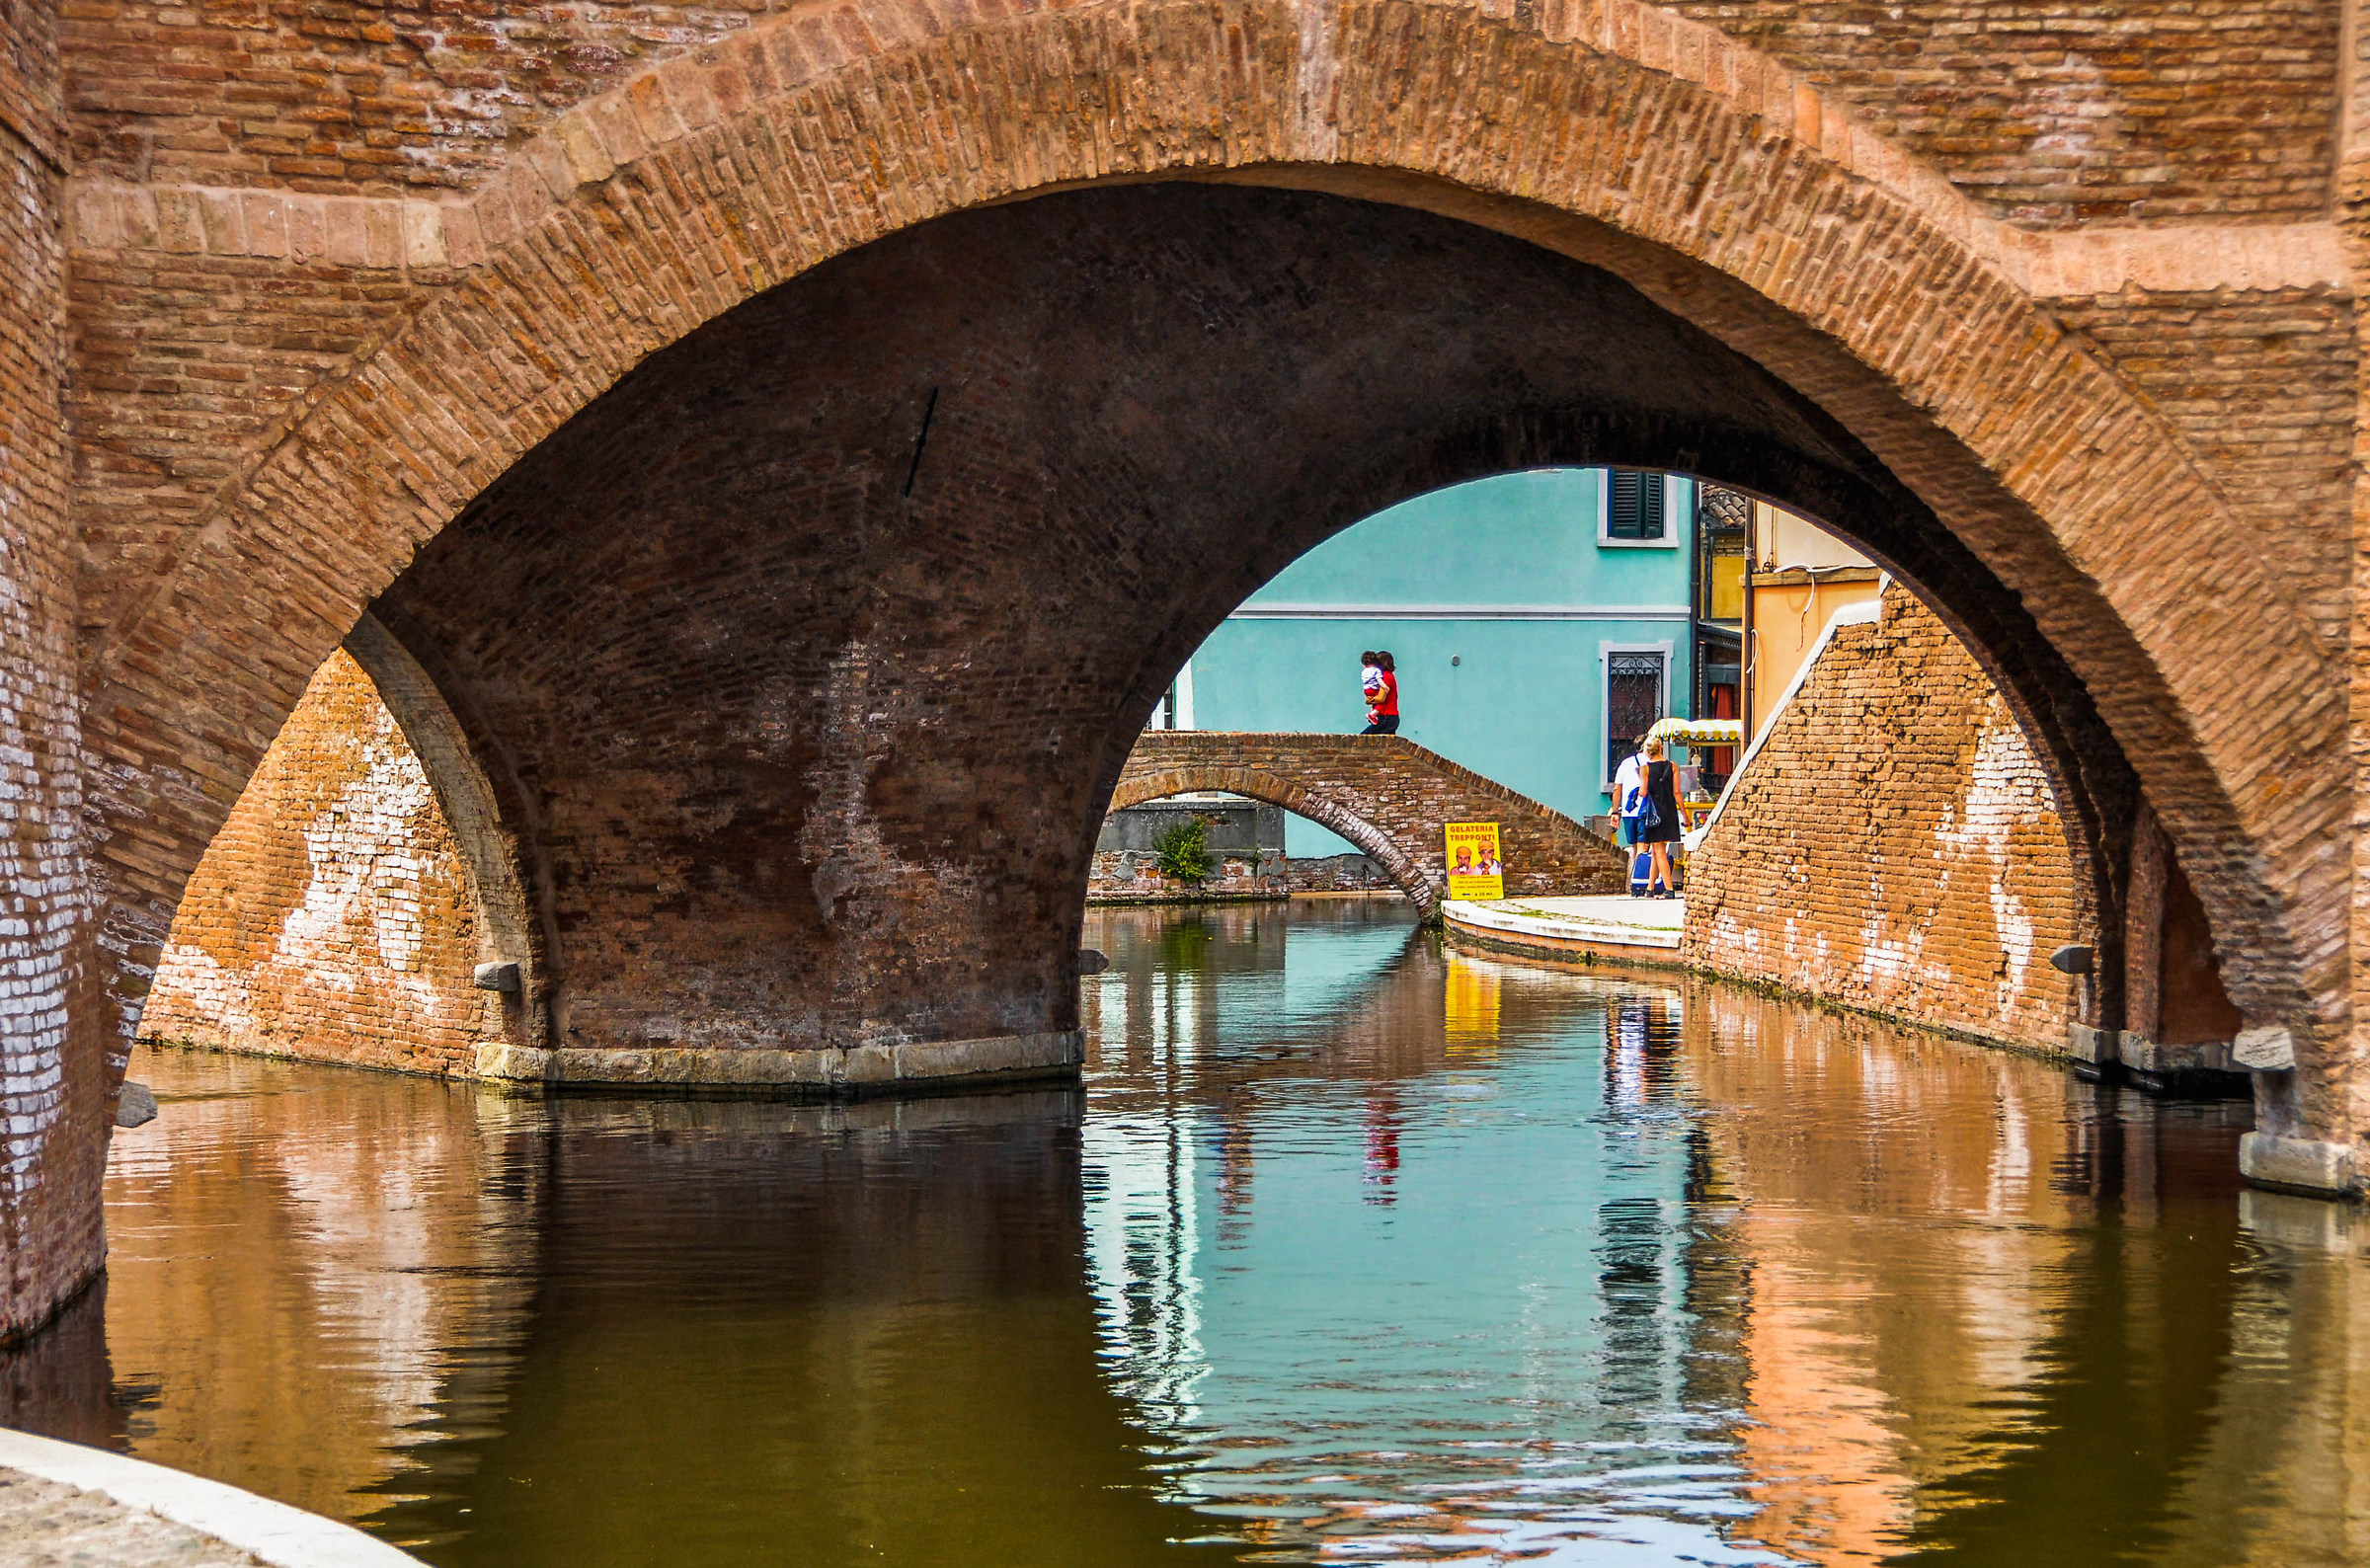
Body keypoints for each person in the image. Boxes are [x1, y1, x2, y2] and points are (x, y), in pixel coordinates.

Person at [1638, 738, 1684, 898]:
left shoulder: (1645, 768)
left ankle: (1669, 889)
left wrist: (1638, 791)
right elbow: (1677, 793)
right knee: (1658, 850)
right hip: (1669, 811)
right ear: (1660, 748)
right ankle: (1650, 887)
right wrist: (1684, 814)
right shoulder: (1672, 766)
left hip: (1654, 813)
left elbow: (1643, 792)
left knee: (1659, 851)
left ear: (1647, 751)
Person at [1362, 650, 1399, 735]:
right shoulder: (1388, 676)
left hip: (1387, 716)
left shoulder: (1386, 677)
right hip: (1390, 717)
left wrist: (1370, 700)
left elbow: (1381, 698)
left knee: (1363, 738)